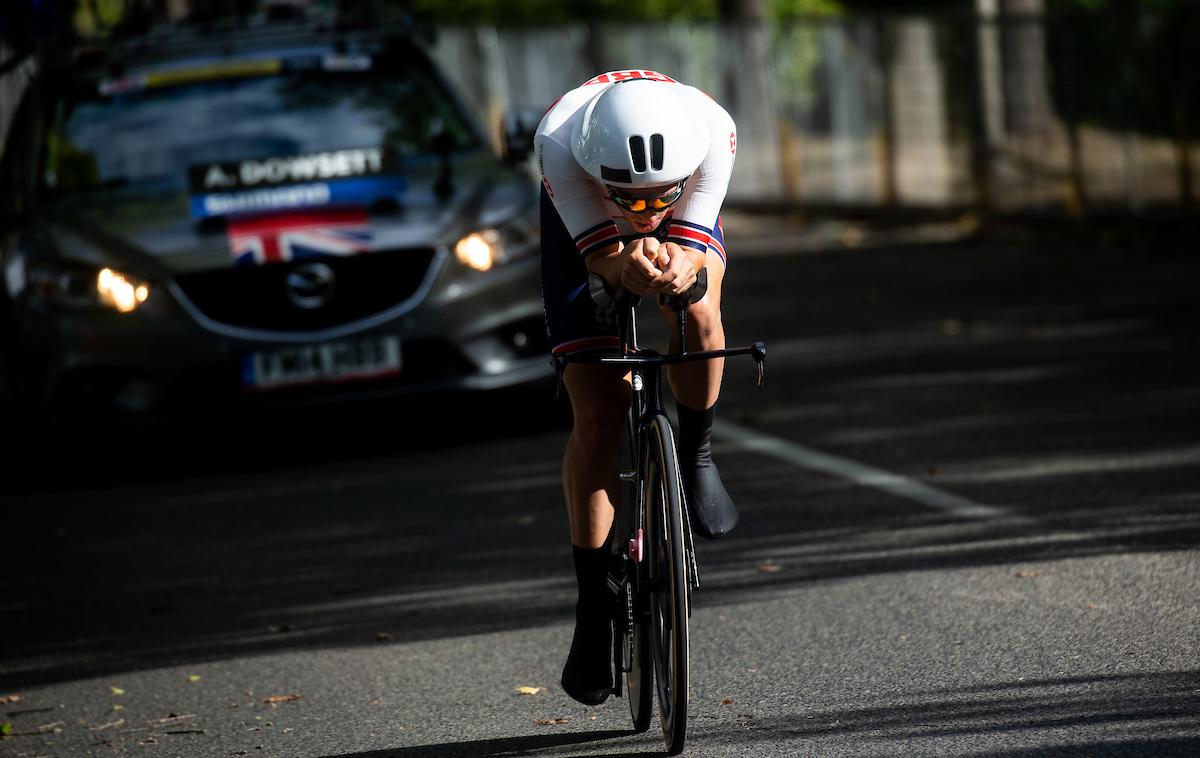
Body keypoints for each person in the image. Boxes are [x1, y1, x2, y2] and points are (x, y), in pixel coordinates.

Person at [534, 69, 739, 706]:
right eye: (631, 198)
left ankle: (697, 451)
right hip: (581, 212)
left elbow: (691, 240)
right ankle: (594, 598)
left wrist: (681, 263)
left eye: (660, 197)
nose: (645, 211)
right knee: (599, 404)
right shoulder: (561, 142)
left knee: (698, 306)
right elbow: (600, 258)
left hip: (679, 187)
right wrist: (618, 258)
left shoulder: (712, 132)